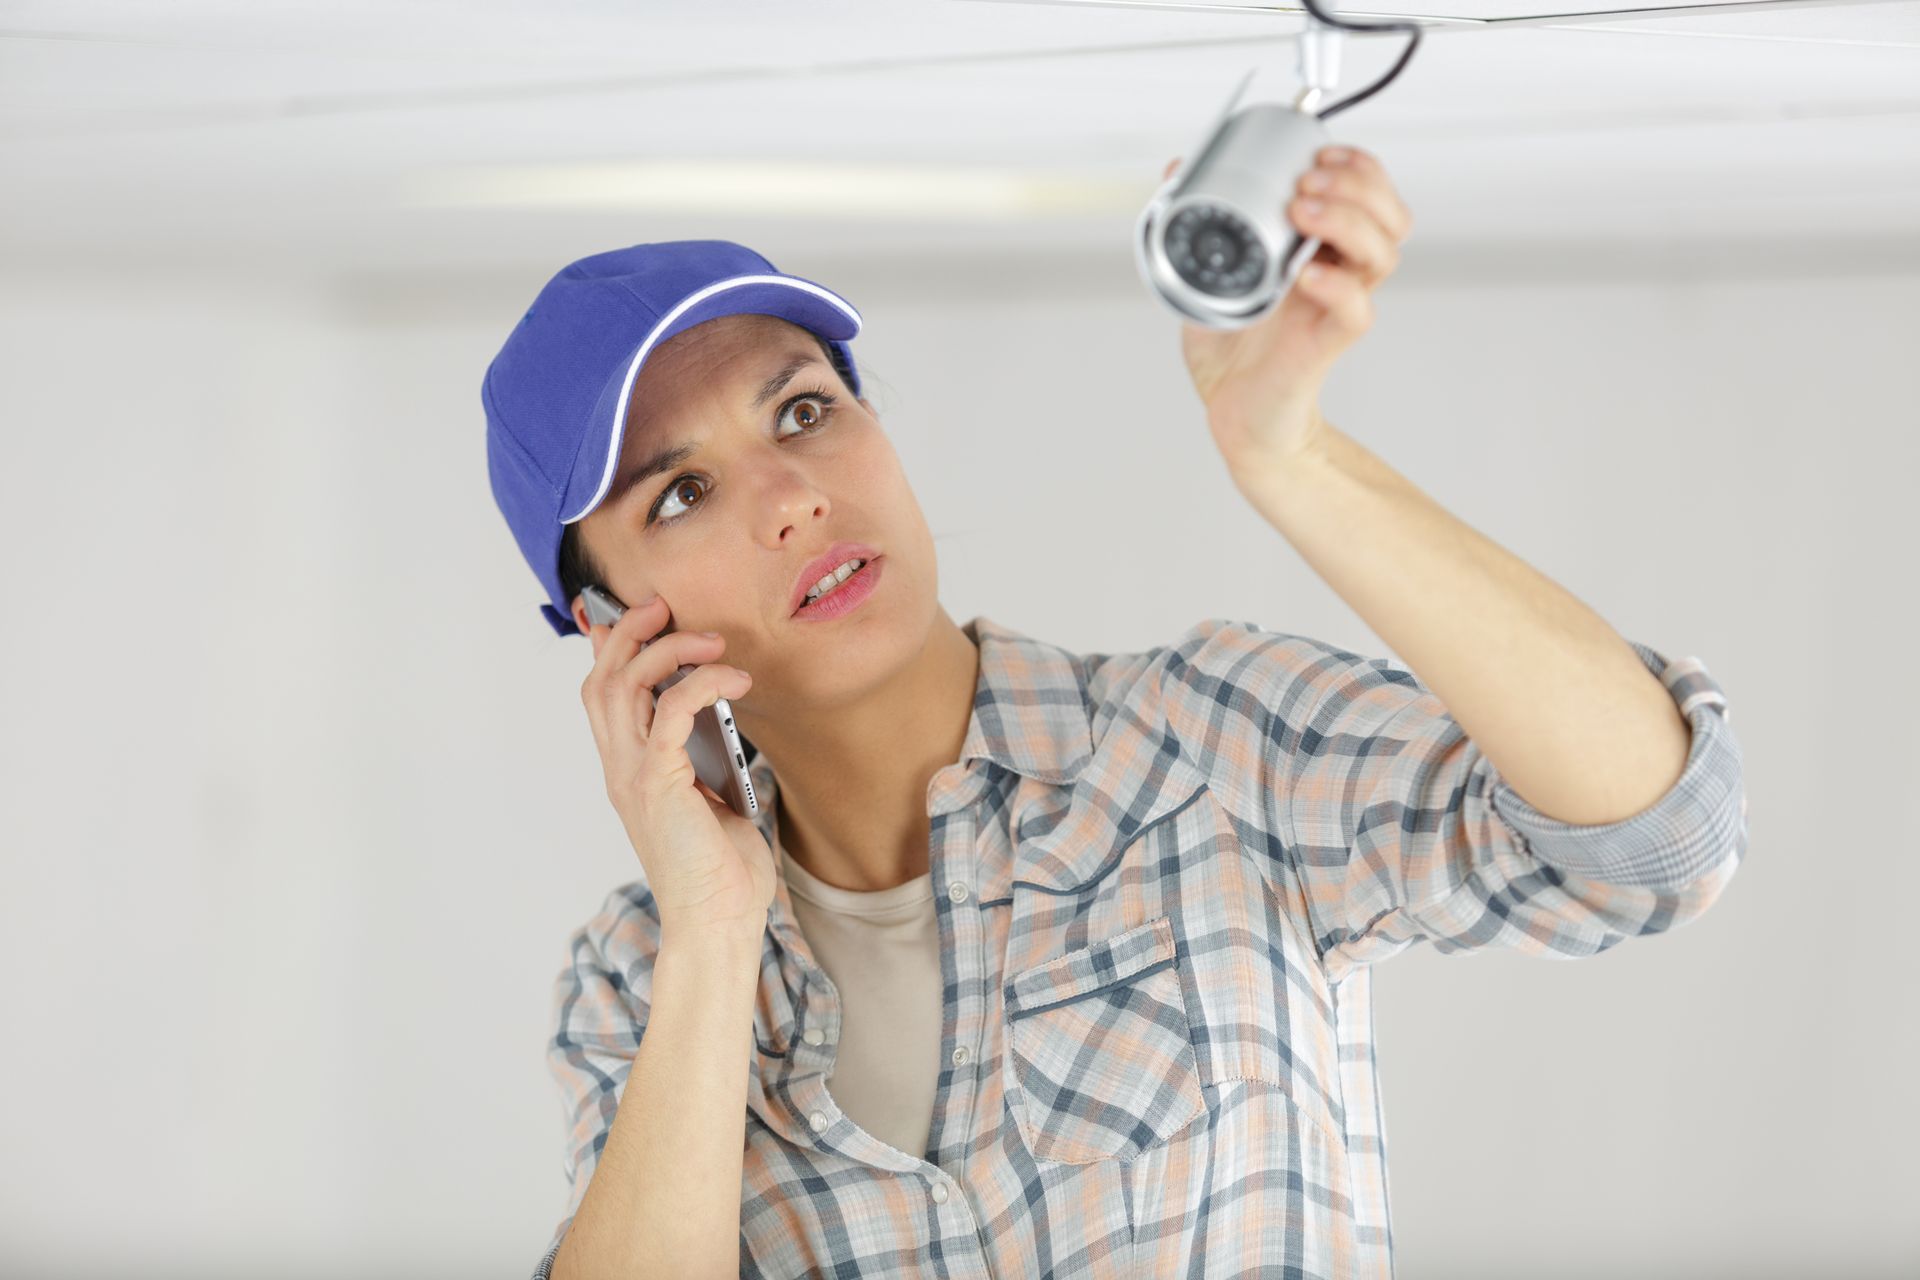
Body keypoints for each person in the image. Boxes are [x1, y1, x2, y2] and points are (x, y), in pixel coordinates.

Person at [483, 151, 1747, 1280]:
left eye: (805, 410)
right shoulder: (635, 975)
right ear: (611, 632)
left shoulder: (1207, 742)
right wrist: (713, 926)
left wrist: (1289, 455)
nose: (792, 497)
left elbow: (1653, 841)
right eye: (683, 492)